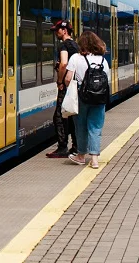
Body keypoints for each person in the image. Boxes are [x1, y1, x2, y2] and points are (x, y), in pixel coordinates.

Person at [65, 30, 110, 169]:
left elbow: (68, 78)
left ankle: (81, 156)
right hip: (99, 98)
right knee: (95, 127)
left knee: (81, 127)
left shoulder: (75, 58)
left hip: (81, 97)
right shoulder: (102, 60)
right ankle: (95, 159)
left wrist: (69, 87)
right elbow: (107, 79)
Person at [46, 20, 79, 158]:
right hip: (75, 85)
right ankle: (76, 146)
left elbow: (64, 63)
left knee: (59, 116)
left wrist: (60, 81)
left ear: (64, 31)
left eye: (57, 30)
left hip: (66, 85)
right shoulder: (76, 45)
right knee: (72, 115)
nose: (56, 33)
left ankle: (62, 147)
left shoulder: (63, 45)